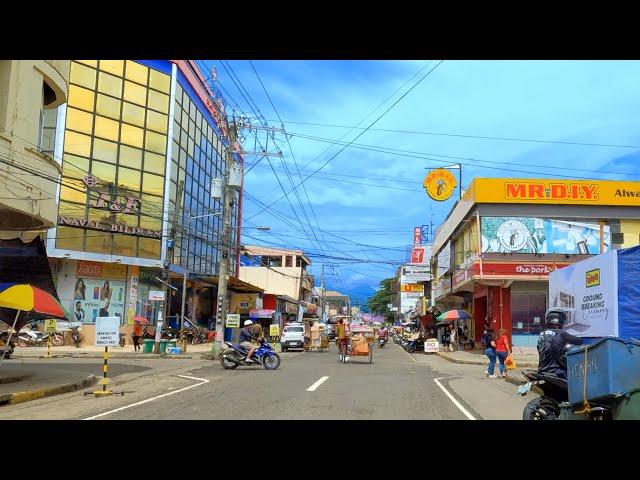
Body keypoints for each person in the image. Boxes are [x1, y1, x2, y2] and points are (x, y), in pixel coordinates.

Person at [537, 310, 583, 379]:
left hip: (542, 370)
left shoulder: (542, 334)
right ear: (561, 321)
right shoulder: (561, 333)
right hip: (556, 371)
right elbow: (579, 341)